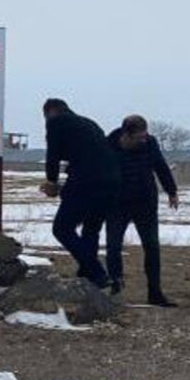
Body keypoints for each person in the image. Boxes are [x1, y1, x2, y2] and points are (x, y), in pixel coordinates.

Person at [41, 98, 121, 288]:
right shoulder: (89, 123)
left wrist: (51, 180)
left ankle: (97, 273)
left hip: (86, 182)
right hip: (112, 182)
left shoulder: (56, 122)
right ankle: (88, 277)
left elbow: (53, 154)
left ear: (50, 112)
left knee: (62, 228)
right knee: (91, 230)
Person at [105, 115, 180, 306]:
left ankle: (155, 293)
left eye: (145, 136)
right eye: (139, 137)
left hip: (145, 202)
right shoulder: (108, 145)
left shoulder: (151, 143)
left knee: (152, 247)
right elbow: (96, 170)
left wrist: (172, 191)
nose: (143, 140)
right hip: (117, 203)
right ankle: (115, 285)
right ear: (126, 135)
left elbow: (160, 167)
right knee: (113, 245)